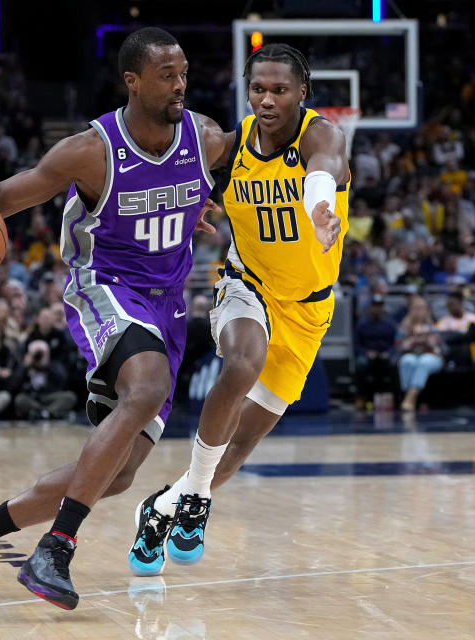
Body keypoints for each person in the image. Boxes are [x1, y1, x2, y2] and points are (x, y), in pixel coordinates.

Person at [0, 28, 235, 610]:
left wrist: (191, 207)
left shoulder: (206, 138)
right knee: (149, 388)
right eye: (167, 75)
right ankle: (56, 548)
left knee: (115, 475)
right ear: (132, 81)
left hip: (168, 304)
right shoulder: (89, 150)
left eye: (184, 72)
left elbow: (232, 182)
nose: (180, 84)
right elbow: (0, 196)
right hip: (105, 289)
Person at [131, 43, 347, 574]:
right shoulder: (234, 143)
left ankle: (162, 506)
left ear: (302, 92)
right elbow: (178, 177)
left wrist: (320, 208)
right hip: (245, 283)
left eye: (279, 89)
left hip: (308, 310)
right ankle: (197, 504)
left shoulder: (322, 134)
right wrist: (191, 200)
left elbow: (325, 168)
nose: (267, 99)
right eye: (258, 89)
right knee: (242, 361)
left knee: (241, 444)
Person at [396, 296, 444, 411]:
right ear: (411, 310)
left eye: (422, 308)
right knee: (408, 360)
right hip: (412, 355)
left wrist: (425, 337)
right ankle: (407, 394)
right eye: (416, 308)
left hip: (432, 356)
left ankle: (411, 395)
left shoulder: (433, 326)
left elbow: (437, 344)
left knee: (424, 361)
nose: (419, 311)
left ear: (427, 310)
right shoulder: (404, 327)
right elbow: (399, 345)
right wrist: (413, 339)